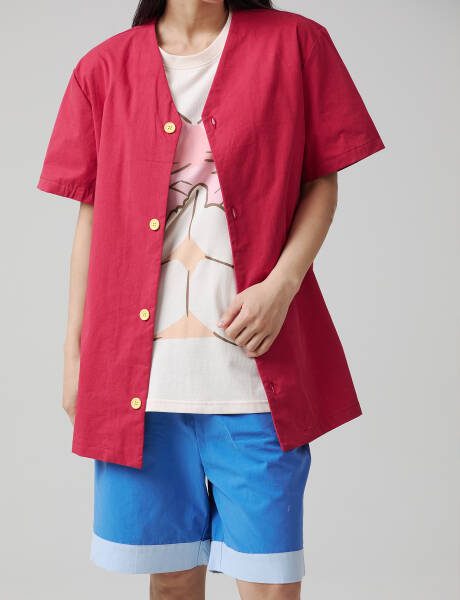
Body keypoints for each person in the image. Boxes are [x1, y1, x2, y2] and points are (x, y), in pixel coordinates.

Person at [37, 1, 384, 598]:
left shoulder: (297, 44)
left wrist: (281, 286)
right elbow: (91, 220)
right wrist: (74, 361)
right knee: (171, 582)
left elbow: (321, 180)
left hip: (254, 377)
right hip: (141, 386)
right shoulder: (103, 68)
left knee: (270, 586)